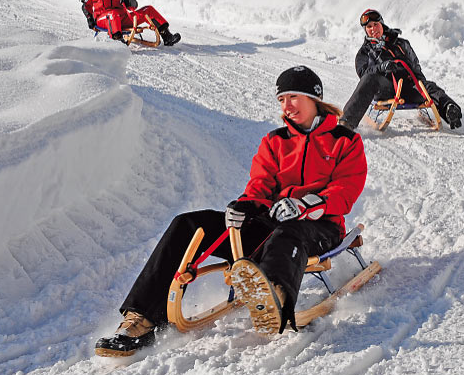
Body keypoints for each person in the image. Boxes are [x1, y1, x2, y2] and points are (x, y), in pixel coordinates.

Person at [95, 66, 368, 356]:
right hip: (269, 226)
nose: (286, 106)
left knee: (289, 231)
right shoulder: (275, 141)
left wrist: (308, 205)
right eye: (281, 100)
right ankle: (141, 318)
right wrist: (247, 205)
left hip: (320, 226)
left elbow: (346, 189)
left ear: (315, 98)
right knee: (187, 224)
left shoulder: (345, 141)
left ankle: (273, 296)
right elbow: (260, 184)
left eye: (293, 97)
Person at [339, 9, 463, 130]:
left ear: (381, 24)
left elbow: (415, 66)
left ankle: (449, 110)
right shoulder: (364, 52)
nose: (373, 29)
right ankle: (347, 123)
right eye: (369, 27)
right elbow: (363, 73)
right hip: (386, 90)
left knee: (428, 86)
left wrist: (421, 85)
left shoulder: (402, 44)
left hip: (409, 87)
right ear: (365, 30)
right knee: (369, 79)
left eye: (375, 24)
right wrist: (381, 68)